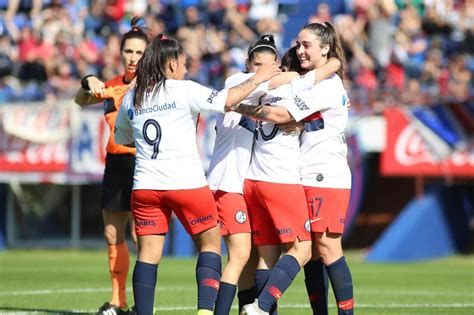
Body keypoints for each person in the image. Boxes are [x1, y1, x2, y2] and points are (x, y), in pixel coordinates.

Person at [113, 34, 281, 315]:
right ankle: (205, 312)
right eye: (183, 64)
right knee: (210, 244)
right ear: (169, 64)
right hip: (185, 183)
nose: (186, 69)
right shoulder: (183, 89)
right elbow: (228, 100)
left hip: (145, 186)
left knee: (148, 256)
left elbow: (123, 138)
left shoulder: (133, 95)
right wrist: (258, 77)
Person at [236, 22, 354, 315]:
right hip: (305, 173)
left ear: (325, 48)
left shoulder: (327, 86)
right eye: (298, 44)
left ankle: (262, 307)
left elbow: (279, 113)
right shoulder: (314, 80)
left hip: (326, 175)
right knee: (312, 254)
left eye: (307, 45)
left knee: (326, 249)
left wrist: (234, 104)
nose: (300, 50)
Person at [74, 17, 149, 315]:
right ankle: (118, 301)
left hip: (143, 164)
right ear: (120, 54)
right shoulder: (111, 86)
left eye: (139, 53)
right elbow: (81, 101)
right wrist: (86, 81)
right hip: (116, 163)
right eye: (128, 52)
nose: (133, 58)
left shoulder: (156, 88)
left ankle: (144, 303)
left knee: (141, 236)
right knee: (112, 234)